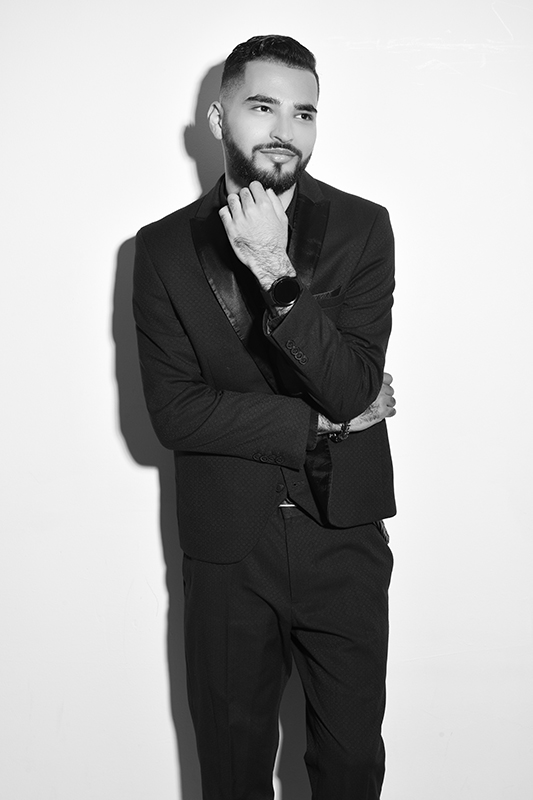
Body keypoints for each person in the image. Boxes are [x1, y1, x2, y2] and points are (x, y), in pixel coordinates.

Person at [133, 34, 396, 800]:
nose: (285, 129)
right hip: (227, 552)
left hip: (342, 537)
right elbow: (175, 414)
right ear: (219, 119)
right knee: (232, 773)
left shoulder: (362, 227)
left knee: (350, 769)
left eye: (303, 112)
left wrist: (275, 269)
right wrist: (316, 427)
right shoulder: (161, 249)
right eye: (262, 107)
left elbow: (351, 386)